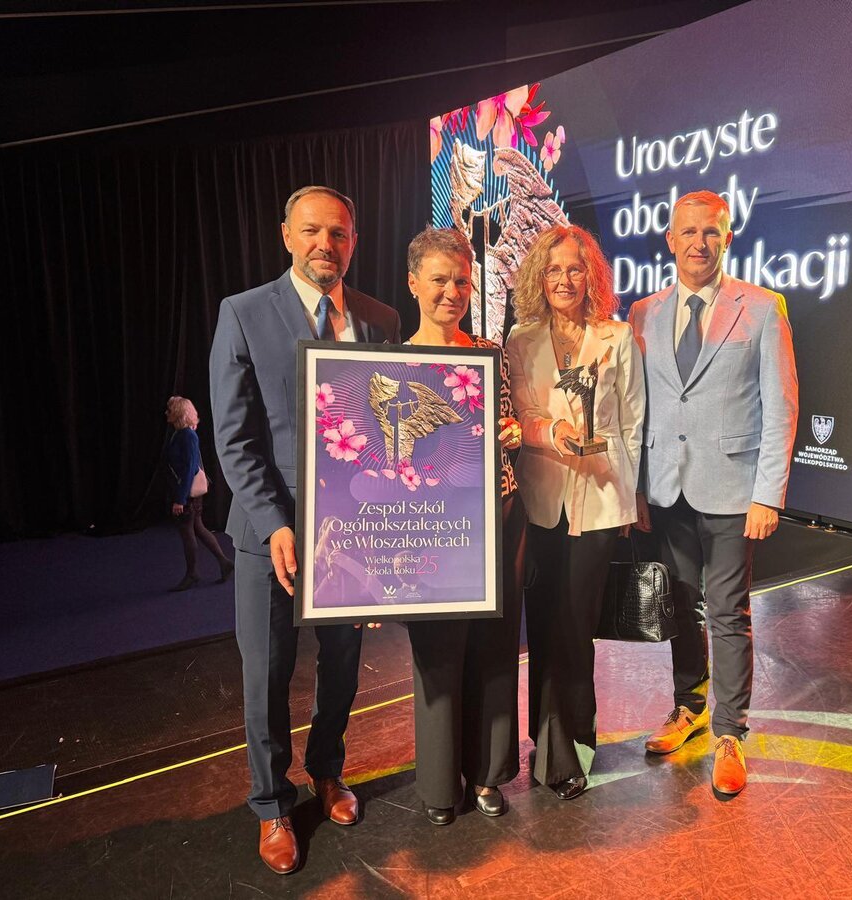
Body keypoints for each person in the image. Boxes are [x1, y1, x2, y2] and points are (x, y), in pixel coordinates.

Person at [209, 185, 401, 874]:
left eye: (339, 233)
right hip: (271, 536)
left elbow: (390, 431)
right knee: (267, 673)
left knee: (344, 665)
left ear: (354, 241)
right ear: (287, 235)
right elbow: (235, 440)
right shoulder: (243, 314)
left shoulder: (380, 318)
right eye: (312, 231)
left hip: (352, 534)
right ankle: (270, 803)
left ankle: (327, 771)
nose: (326, 244)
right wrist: (274, 523)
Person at [629, 190, 798, 796]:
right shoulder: (642, 313)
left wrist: (768, 494)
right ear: (670, 241)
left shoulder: (762, 308)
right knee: (679, 606)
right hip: (664, 488)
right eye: (688, 232)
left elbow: (781, 406)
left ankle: (730, 732)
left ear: (728, 238)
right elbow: (635, 407)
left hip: (732, 490)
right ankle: (689, 706)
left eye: (710, 232)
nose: (698, 243)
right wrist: (636, 489)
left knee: (727, 610)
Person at [507, 225, 644, 800]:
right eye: (554, 269)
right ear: (539, 277)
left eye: (575, 268)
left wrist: (632, 500)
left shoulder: (618, 336)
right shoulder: (521, 339)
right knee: (544, 629)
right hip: (539, 504)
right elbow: (519, 415)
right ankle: (550, 744)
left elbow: (633, 422)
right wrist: (552, 432)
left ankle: (576, 740)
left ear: (592, 275)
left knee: (576, 629)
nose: (564, 279)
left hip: (601, 502)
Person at [402, 227, 527, 825]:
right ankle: (438, 784)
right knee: (436, 654)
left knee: (495, 649)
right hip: (428, 527)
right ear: (413, 284)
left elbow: (510, 426)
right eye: (439, 280)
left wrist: (514, 433)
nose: (451, 292)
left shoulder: (491, 354)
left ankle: (487, 774)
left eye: (461, 281)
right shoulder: (391, 363)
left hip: (497, 519)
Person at [163, 395, 233, 591]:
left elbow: (189, 469)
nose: (167, 413)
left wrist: (180, 499)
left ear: (178, 413)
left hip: (188, 493)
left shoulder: (187, 435)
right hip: (187, 491)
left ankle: (192, 573)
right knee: (198, 528)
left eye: (170, 409)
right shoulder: (182, 433)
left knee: (188, 532)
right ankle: (224, 562)